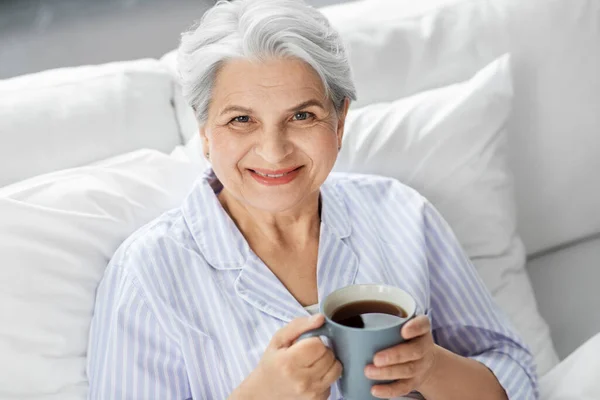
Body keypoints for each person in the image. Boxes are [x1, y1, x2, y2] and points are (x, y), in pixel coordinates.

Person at [86, 0, 539, 399]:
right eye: (241, 119)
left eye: (302, 115)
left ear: (339, 123)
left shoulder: (404, 215)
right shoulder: (147, 273)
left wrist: (433, 368)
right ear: (204, 133)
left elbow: (513, 373)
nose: (274, 150)